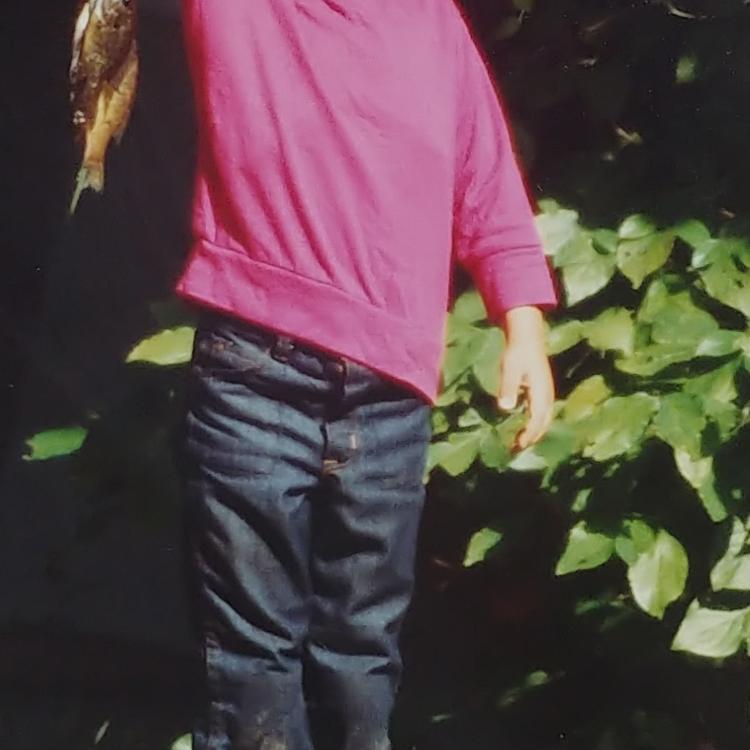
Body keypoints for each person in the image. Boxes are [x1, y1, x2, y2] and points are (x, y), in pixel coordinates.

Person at [175, 1, 557, 749]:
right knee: (252, 660)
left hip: (390, 396)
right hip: (256, 375)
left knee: (360, 654)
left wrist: (524, 321)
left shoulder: (431, 21)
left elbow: (485, 177)